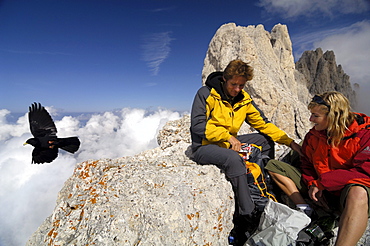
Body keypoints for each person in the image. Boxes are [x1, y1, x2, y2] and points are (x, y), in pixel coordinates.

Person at [190, 59, 301, 244]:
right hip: (204, 146)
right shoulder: (206, 94)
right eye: (233, 84)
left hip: (227, 143)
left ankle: (266, 188)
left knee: (264, 141)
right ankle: (248, 214)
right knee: (234, 159)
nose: (237, 89)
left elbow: (263, 124)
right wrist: (227, 137)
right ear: (224, 79)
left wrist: (289, 142)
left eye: (241, 85)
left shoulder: (244, 99)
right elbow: (198, 126)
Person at [265, 91, 370, 246]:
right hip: (322, 190)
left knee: (358, 192)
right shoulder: (314, 136)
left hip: (346, 194)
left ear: (333, 116)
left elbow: (365, 172)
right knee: (274, 166)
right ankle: (307, 210)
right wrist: (312, 183)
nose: (311, 119)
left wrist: (322, 183)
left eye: (315, 116)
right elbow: (306, 163)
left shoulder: (364, 133)